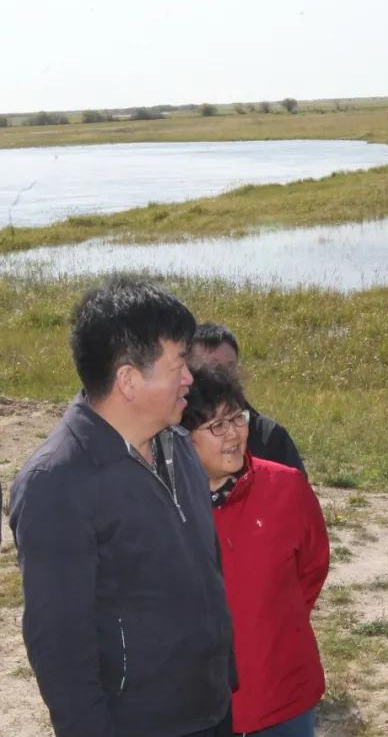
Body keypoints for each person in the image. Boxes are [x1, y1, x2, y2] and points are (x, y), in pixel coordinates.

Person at [9, 277, 234, 737]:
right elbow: (59, 649)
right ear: (129, 379)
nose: (190, 377)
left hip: (208, 711)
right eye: (178, 364)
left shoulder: (177, 444)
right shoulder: (57, 483)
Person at [182, 365, 330, 737]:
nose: (234, 433)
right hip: (199, 705)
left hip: (284, 698)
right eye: (217, 425)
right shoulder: (164, 504)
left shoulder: (286, 486)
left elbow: (312, 568)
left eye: (238, 417)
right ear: (181, 437)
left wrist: (274, 622)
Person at [189, 322, 307, 477]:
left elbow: (295, 492)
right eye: (212, 368)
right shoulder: (171, 433)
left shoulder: (270, 436)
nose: (224, 377)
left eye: (230, 367)